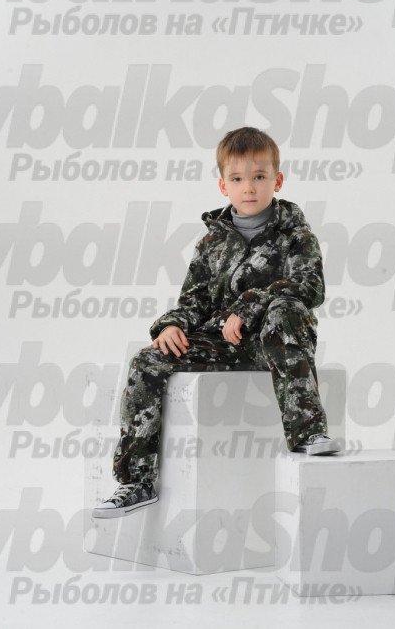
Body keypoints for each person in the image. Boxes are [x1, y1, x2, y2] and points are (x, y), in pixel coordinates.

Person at [93, 127, 340, 519]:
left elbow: (311, 287)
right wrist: (172, 325)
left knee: (285, 309)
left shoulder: (295, 235)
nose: (249, 187)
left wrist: (249, 305)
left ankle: (308, 432)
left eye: (259, 176)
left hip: (276, 342)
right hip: (224, 344)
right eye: (238, 179)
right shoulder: (212, 243)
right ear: (224, 185)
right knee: (147, 360)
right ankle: (137, 481)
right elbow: (195, 300)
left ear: (277, 181)